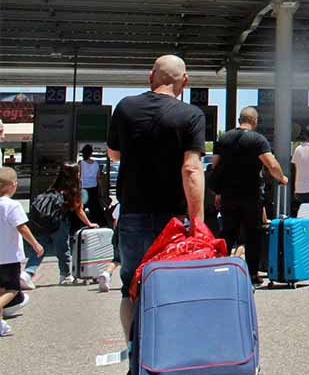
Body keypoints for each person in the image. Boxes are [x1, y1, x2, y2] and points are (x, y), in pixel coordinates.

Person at [107, 54, 206, 340]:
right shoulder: (190, 115)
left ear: (151, 76)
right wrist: (197, 220)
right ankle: (168, 353)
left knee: (131, 288)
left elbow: (114, 153)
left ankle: (136, 355)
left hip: (133, 213)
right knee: (174, 285)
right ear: (184, 82)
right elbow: (191, 169)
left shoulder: (125, 107)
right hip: (172, 218)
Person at [211, 107, 289, 283]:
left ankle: (221, 270)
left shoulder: (224, 138)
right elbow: (271, 164)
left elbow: (215, 165)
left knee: (227, 233)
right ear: (255, 121)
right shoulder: (257, 139)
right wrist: (282, 178)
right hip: (251, 195)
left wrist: (218, 192)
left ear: (240, 119)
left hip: (228, 195)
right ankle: (253, 274)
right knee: (253, 234)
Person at [23, 163, 98, 286]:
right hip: (59, 222)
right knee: (63, 249)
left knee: (40, 248)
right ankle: (65, 275)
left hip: (42, 223)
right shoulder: (73, 189)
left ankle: (27, 273)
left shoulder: (54, 187)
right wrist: (89, 223)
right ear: (75, 174)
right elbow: (79, 210)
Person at [1, 166, 44, 336]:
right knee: (13, 289)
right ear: (12, 185)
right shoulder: (12, 205)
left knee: (2, 290)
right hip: (9, 257)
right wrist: (35, 244)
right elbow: (22, 227)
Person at [79, 144, 106, 226]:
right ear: (91, 153)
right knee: (96, 207)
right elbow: (98, 178)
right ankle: (101, 223)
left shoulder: (81, 163)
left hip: (84, 188)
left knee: (81, 207)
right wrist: (100, 189)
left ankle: (81, 223)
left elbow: (79, 176)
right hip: (94, 188)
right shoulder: (96, 164)